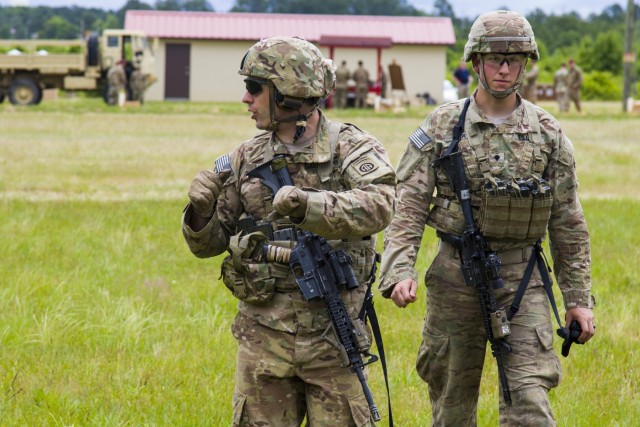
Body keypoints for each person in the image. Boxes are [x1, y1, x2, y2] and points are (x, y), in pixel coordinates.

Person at [379, 10, 595, 426]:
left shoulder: (548, 133)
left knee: (530, 404)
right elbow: (407, 205)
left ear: (525, 64)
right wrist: (398, 271)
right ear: (475, 62)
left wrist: (578, 300)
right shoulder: (443, 127)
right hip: (455, 277)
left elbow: (568, 221)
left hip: (522, 278)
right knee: (452, 405)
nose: (504, 68)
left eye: (514, 59)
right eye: (494, 59)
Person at [181, 36, 396, 426]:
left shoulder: (351, 147)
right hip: (264, 338)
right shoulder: (245, 157)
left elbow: (381, 205)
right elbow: (209, 244)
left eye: (254, 88)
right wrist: (199, 213)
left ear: (288, 93)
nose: (246, 99)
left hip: (334, 336)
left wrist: (309, 207)